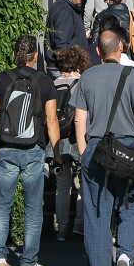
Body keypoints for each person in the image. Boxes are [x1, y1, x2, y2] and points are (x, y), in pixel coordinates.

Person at [72, 27, 134, 266]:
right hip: (128, 150)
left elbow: (79, 118)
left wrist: (84, 150)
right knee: (130, 206)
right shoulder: (131, 75)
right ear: (121, 48)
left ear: (97, 51)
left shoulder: (86, 76)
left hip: (96, 149)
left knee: (97, 214)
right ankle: (125, 255)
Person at [0, 35, 60, 266]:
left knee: (2, 205)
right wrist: (57, 155)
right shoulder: (45, 82)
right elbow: (52, 121)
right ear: (35, 56)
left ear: (15, 54)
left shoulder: (2, 79)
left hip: (5, 149)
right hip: (34, 149)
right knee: (33, 208)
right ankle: (27, 262)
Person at [51, 45, 90, 241]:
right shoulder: (82, 83)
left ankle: (61, 229)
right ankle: (80, 224)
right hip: (77, 137)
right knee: (84, 183)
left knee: (62, 184)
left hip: (57, 138)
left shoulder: (53, 83)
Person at [45, 0, 89, 75]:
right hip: (66, 69)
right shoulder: (64, 10)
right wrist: (68, 69)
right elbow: (62, 42)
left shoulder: (65, 7)